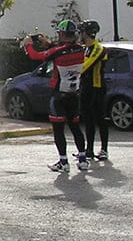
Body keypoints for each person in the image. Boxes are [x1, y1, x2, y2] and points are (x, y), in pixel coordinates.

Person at [22, 20, 88, 172]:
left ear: (63, 34)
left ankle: (63, 162)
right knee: (75, 127)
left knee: (58, 129)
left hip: (59, 94)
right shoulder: (80, 49)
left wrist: (28, 44)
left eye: (59, 33)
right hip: (74, 93)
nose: (58, 36)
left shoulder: (58, 51)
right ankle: (83, 159)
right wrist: (48, 43)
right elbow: (62, 50)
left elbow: (35, 56)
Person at [79, 20, 110, 161]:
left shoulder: (98, 48)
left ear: (86, 33)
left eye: (81, 32)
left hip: (96, 87)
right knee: (88, 119)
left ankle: (104, 149)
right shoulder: (85, 48)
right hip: (86, 87)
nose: (80, 34)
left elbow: (86, 66)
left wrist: (73, 71)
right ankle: (89, 149)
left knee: (100, 118)